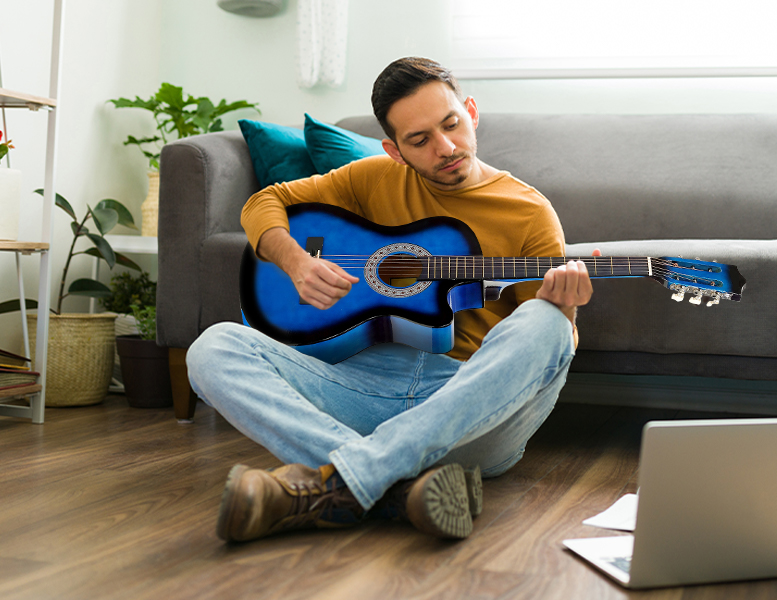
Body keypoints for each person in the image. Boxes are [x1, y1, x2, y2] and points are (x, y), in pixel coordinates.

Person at [187, 57, 599, 543]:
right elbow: (263, 203)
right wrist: (296, 262)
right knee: (212, 348)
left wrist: (565, 310)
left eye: (451, 125)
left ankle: (347, 478)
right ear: (395, 149)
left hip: (470, 408)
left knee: (545, 322)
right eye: (420, 140)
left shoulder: (529, 212)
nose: (445, 148)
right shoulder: (373, 178)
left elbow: (550, 347)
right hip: (364, 388)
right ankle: (399, 489)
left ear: (471, 111)